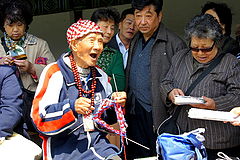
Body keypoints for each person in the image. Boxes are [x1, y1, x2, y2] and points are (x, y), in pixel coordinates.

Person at [31, 19, 127, 160]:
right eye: (92, 40)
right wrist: (71, 107)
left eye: (100, 41)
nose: (97, 46)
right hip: (64, 149)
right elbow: (39, 119)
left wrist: (114, 105)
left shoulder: (101, 76)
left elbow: (105, 121)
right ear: (75, 44)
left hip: (99, 146)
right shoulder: (54, 72)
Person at [159, 14, 240, 160]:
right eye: (195, 48)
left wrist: (214, 104)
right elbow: (165, 82)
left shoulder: (230, 63)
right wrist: (171, 93)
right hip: (184, 138)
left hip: (217, 140)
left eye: (206, 49)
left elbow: (237, 95)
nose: (200, 53)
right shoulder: (180, 57)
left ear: (216, 43)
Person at [125, 0, 187, 159]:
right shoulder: (136, 39)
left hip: (159, 112)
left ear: (159, 16)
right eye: (138, 16)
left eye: (148, 15)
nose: (142, 21)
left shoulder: (174, 43)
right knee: (138, 153)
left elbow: (181, 82)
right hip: (134, 109)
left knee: (158, 153)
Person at [0, 0, 55, 139]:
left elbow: (54, 73)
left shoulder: (39, 44)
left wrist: (32, 68)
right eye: (10, 25)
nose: (15, 30)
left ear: (26, 24)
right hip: (6, 107)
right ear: (3, 25)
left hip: (33, 105)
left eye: (20, 24)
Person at [91, 8, 125, 92]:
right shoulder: (78, 49)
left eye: (112, 28)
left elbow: (119, 85)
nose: (109, 32)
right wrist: (106, 78)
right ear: (94, 26)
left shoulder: (115, 55)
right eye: (105, 27)